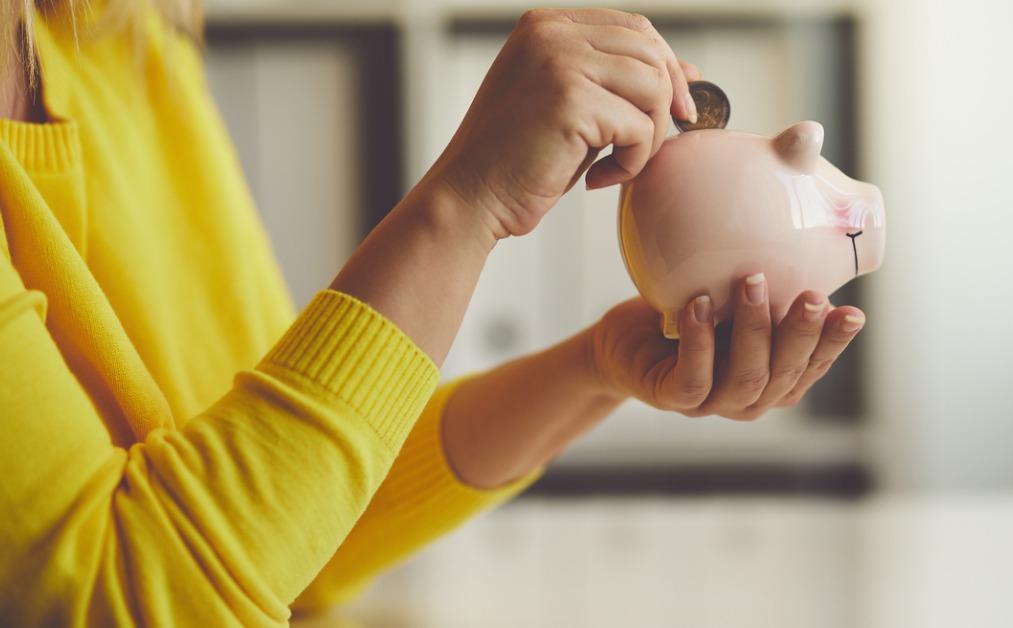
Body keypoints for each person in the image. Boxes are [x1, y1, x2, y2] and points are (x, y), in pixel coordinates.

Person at [0, 2, 866, 625]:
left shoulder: (123, 38)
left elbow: (294, 536)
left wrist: (600, 364)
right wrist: (467, 203)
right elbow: (119, 598)